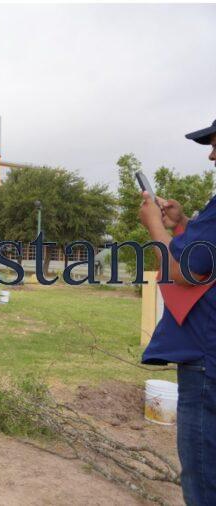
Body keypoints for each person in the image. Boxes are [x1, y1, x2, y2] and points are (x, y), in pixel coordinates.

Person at [139, 118, 216, 505]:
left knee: (203, 476)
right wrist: (183, 224)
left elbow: (181, 272)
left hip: (207, 361)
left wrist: (156, 227)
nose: (212, 153)